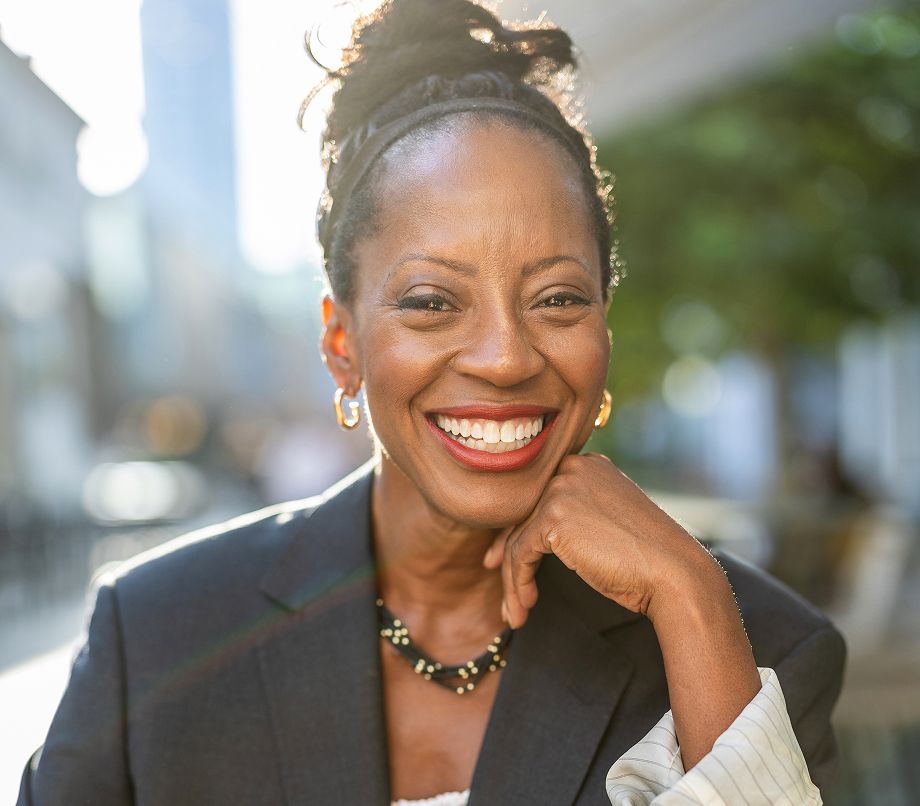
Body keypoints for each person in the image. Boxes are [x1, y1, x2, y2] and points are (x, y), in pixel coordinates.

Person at [18, 1, 846, 803]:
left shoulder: (753, 649)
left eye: (558, 299)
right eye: (430, 302)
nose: (506, 357)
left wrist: (691, 597)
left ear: (604, 330)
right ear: (342, 345)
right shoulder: (157, 635)